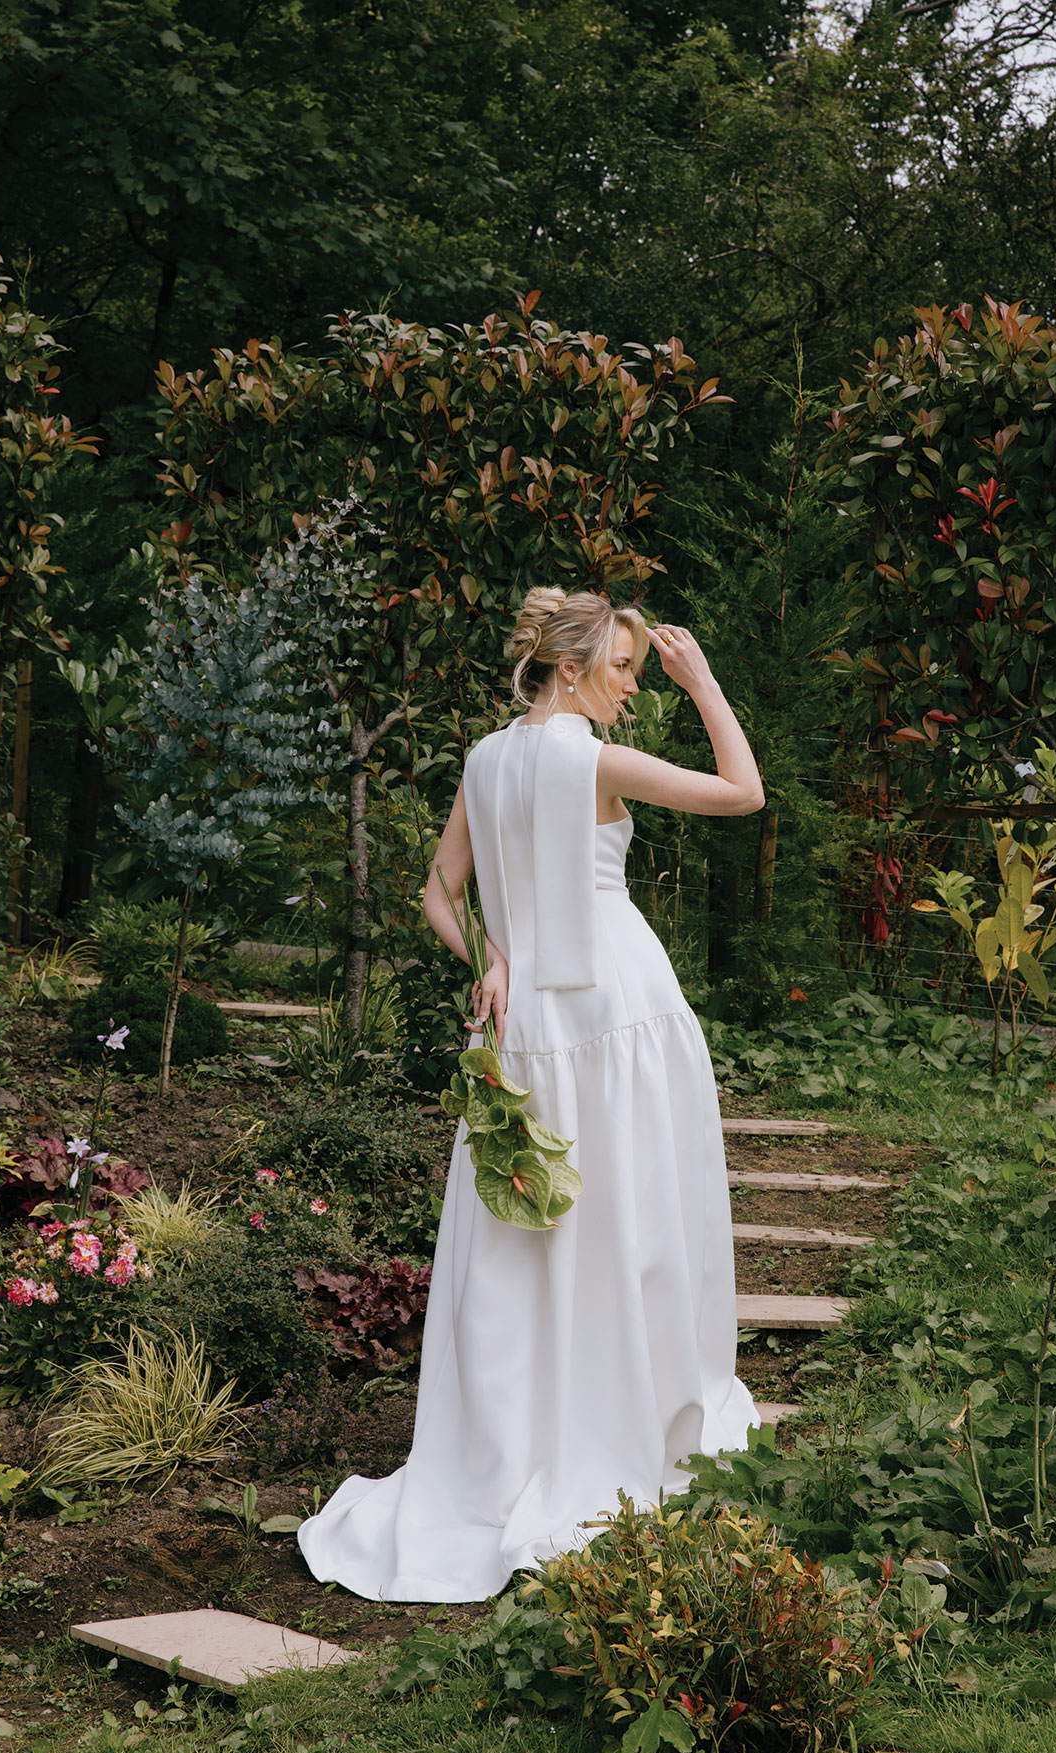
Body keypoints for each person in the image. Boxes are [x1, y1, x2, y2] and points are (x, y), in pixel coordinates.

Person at [297, 586, 764, 1603]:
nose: (635, 687)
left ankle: (522, 1444)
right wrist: (706, 682)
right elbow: (743, 792)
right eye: (627, 669)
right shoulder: (587, 759)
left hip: (526, 1031)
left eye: (648, 670)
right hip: (619, 1016)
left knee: (529, 1238)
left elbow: (438, 887)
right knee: (628, 1226)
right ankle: (617, 1423)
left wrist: (490, 960)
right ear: (574, 664)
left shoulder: (484, 757)